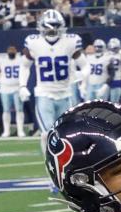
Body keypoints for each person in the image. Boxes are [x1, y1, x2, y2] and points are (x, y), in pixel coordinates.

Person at [19, 9, 83, 150]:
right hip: (44, 93)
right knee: (47, 133)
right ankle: (50, 166)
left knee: (67, 134)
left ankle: (67, 166)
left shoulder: (70, 41)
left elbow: (85, 66)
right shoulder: (34, 43)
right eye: (49, 27)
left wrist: (81, 75)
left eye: (54, 26)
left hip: (65, 94)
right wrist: (22, 86)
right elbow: (24, 66)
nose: (52, 30)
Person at [0, 46, 25, 137]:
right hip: (5, 88)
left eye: (13, 50)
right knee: (6, 110)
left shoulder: (21, 60)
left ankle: (20, 130)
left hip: (17, 88)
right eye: (10, 50)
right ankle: (6, 131)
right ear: (7, 52)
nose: (11, 52)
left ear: (16, 51)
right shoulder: (2, 60)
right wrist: (1, 84)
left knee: (19, 110)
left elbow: (25, 71)